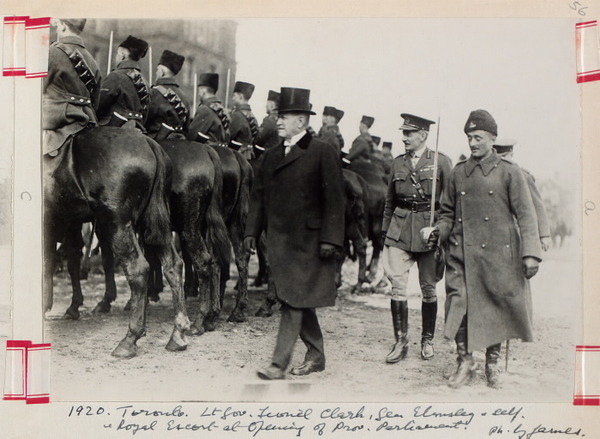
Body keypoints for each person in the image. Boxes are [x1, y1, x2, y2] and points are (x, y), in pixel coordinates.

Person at [422, 109, 542, 389]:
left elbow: (526, 214)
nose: (473, 143)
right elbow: (447, 213)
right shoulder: (458, 173)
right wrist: (439, 231)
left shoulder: (510, 173)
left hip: (498, 255)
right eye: (469, 137)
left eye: (478, 137)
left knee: (495, 307)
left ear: (492, 139)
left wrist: (531, 254)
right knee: (460, 304)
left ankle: (492, 364)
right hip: (461, 254)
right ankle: (465, 361)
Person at [244, 87, 345, 380]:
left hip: (309, 242)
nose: (278, 121)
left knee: (292, 300)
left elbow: (335, 201)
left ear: (301, 121)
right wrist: (251, 232)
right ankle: (316, 354)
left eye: (285, 117)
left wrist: (330, 239)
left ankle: (278, 365)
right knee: (294, 297)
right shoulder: (272, 156)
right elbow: (258, 197)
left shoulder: (322, 152)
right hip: (279, 242)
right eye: (278, 116)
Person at [381, 113, 452, 363]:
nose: (404, 138)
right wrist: (385, 234)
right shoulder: (397, 163)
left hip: (427, 232)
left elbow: (448, 206)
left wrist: (439, 232)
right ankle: (400, 342)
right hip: (399, 230)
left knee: (428, 288)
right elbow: (390, 202)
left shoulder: (441, 162)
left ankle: (427, 339)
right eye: (404, 133)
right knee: (397, 286)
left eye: (409, 133)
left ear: (423, 135)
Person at [43, 18, 101, 157]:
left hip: (57, 119)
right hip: (88, 119)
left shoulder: (52, 52)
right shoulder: (92, 61)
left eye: (58, 25)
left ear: (63, 26)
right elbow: (96, 103)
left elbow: (37, 91)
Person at [493, 138, 551, 251]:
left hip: (516, 231)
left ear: (512, 154)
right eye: (500, 158)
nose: (503, 161)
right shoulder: (489, 177)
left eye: (505, 157)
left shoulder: (523, 176)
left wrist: (544, 234)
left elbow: (537, 204)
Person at [97, 35, 150, 130]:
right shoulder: (145, 82)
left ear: (122, 55)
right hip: (139, 129)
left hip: (114, 128)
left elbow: (99, 104)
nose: (116, 57)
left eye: (117, 54)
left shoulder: (115, 76)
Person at [145, 49, 190, 139]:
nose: (156, 73)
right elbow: (186, 127)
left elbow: (145, 121)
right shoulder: (184, 97)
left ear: (162, 72)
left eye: (157, 70)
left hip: (156, 141)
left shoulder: (154, 92)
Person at [187, 73, 230, 143]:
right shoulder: (223, 109)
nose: (198, 94)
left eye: (199, 90)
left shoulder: (205, 109)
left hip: (208, 151)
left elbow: (192, 135)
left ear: (203, 90)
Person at [229, 81, 259, 160]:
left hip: (238, 157)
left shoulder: (237, 116)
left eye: (234, 96)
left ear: (240, 96)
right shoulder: (252, 116)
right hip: (249, 156)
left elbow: (227, 136)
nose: (233, 98)